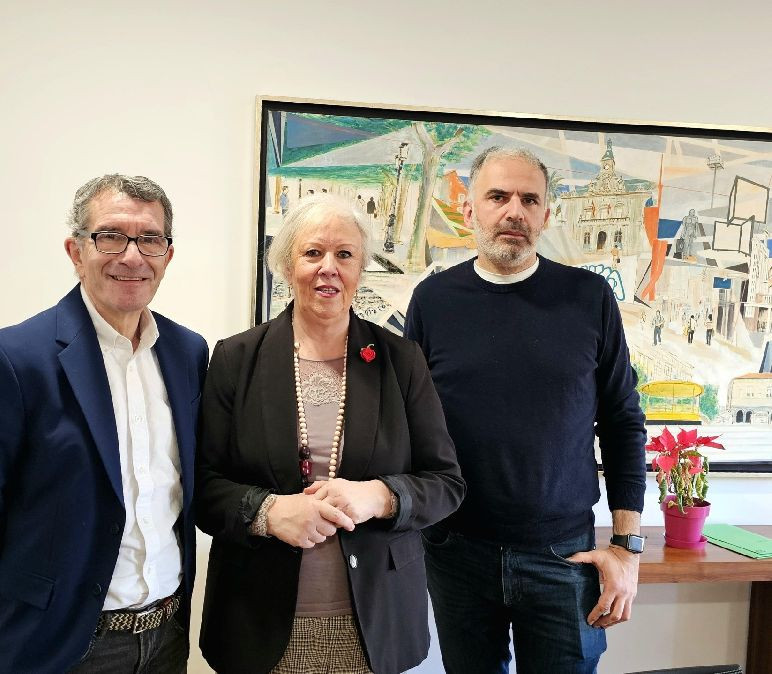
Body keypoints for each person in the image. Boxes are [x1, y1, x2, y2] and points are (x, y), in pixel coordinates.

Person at [0, 175, 208, 673]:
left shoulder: (188, 353)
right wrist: (25, 621)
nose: (132, 256)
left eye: (149, 239)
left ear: (168, 255)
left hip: (167, 639)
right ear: (76, 252)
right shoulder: (13, 360)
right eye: (111, 236)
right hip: (67, 650)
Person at [196, 195, 465, 674]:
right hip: (256, 621)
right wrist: (267, 512)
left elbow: (446, 484)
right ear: (287, 265)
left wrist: (381, 496)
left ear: (361, 267)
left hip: (375, 624)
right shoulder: (236, 359)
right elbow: (204, 486)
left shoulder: (401, 360)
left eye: (345, 254)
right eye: (312, 253)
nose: (329, 268)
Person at [405, 147, 646, 674]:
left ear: (546, 214)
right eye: (498, 196)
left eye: (529, 199)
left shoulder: (589, 297)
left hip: (564, 557)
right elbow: (407, 421)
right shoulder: (433, 300)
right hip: (457, 551)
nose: (514, 210)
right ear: (469, 209)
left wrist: (627, 546)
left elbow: (622, 420)